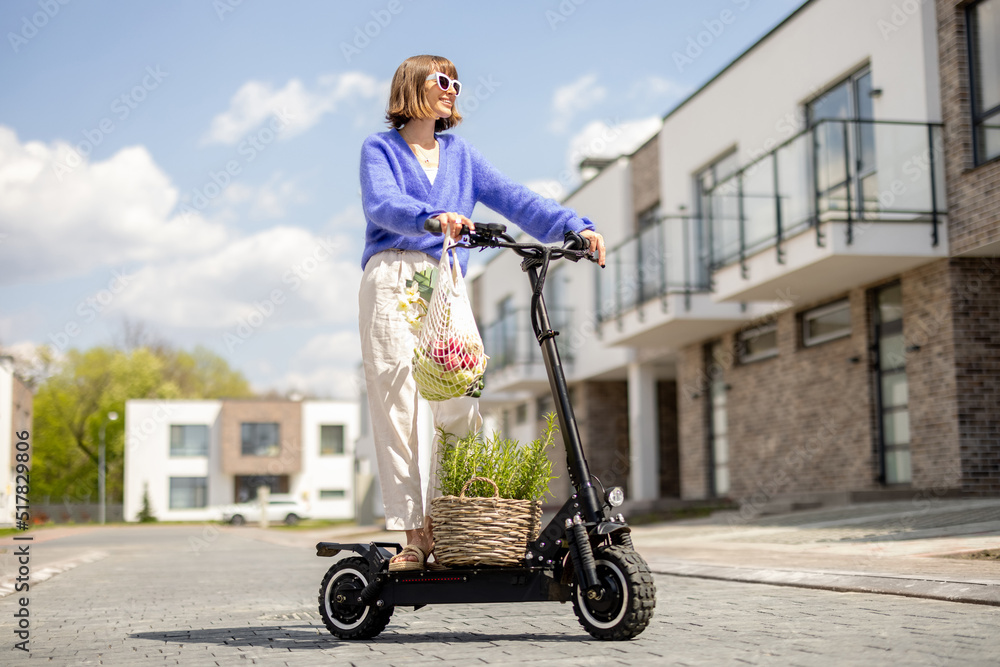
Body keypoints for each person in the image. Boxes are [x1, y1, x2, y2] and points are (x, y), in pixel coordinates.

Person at [359, 54, 606, 571]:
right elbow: (381, 204)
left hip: (445, 282)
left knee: (459, 397)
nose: (453, 89)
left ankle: (457, 525)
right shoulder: (380, 148)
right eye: (442, 80)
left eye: (457, 83)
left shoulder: (461, 155)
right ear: (411, 87)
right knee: (398, 402)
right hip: (393, 275)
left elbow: (514, 198)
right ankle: (413, 537)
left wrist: (572, 227)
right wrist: (431, 216)